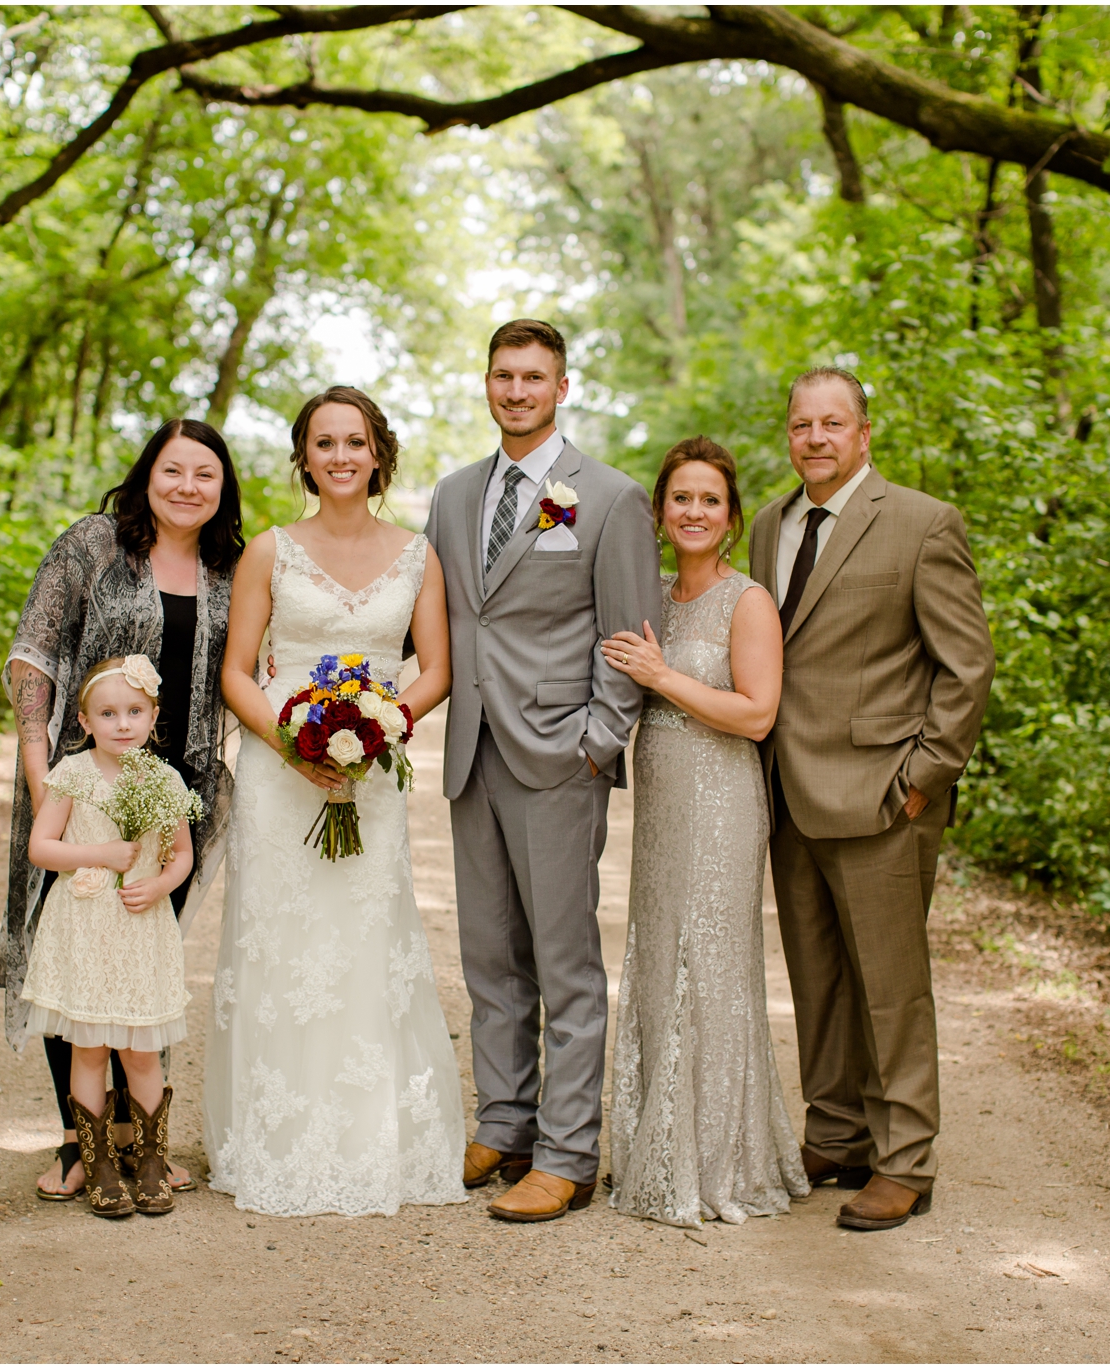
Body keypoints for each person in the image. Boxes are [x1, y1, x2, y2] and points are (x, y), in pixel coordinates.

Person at [204, 385, 465, 1218]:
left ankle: (370, 1134)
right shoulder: (269, 552)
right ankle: (278, 1134)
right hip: (282, 778)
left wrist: (384, 723)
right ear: (305, 457)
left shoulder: (419, 554)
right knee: (281, 945)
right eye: (325, 443)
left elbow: (436, 668)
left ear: (378, 453)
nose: (342, 456)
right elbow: (237, 670)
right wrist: (290, 741)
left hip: (371, 774)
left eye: (356, 442)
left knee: (364, 938)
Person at [746, 367, 994, 1231]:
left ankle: (906, 1159)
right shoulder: (770, 524)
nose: (815, 438)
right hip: (787, 790)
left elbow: (966, 666)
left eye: (832, 423)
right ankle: (839, 1131)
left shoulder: (924, 524)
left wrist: (924, 778)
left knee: (891, 987)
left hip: (885, 793)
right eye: (801, 424)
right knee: (816, 979)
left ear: (863, 433)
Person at [424, 319, 660, 1223]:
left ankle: (568, 1152)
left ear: (561, 387)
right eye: (502, 376)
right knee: (489, 956)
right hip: (472, 751)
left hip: (561, 754)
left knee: (565, 964)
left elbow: (630, 633)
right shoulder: (451, 497)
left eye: (533, 377)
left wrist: (598, 741)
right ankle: (507, 1120)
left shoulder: (605, 498)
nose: (515, 391)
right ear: (486, 384)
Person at [0, 418, 242, 1200]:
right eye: (174, 470)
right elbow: (35, 654)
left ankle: (139, 1143)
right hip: (79, 776)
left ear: (223, 487)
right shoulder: (94, 545)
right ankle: (79, 1143)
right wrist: (47, 785)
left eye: (206, 474)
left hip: (175, 789)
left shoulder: (229, 569)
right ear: (147, 473)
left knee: (139, 959)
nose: (188, 486)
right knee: (71, 948)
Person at [598, 437, 809, 1228]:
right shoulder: (650, 595)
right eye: (680, 498)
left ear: (730, 516)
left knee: (710, 962)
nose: (693, 512)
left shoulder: (745, 599)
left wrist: (664, 678)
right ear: (659, 510)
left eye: (709, 500)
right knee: (657, 958)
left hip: (722, 798)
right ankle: (656, 1152)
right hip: (660, 800)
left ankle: (719, 1160)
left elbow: (756, 714)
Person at [20, 656, 196, 1216]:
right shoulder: (71, 775)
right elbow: (41, 847)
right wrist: (99, 854)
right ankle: (97, 1163)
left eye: (135, 711)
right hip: (86, 925)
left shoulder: (163, 780)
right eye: (108, 713)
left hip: (140, 926)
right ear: (84, 721)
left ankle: (147, 1159)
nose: (123, 723)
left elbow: (183, 854)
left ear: (152, 716)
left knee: (141, 1050)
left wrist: (161, 883)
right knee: (89, 1048)